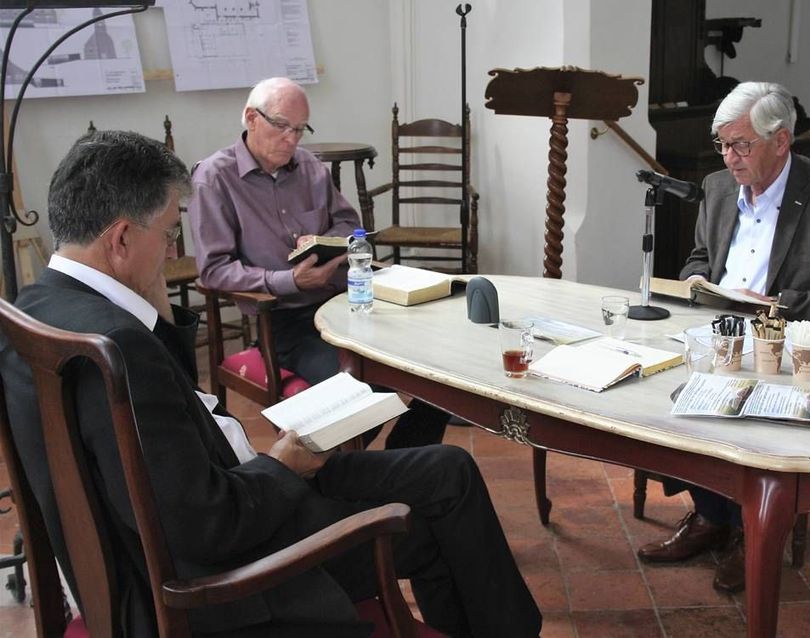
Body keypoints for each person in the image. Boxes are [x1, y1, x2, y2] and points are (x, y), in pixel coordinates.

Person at [0, 130, 542, 637]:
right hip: (219, 578)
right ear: (120, 238)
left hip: (185, 527)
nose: (171, 252)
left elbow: (163, 450)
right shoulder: (121, 347)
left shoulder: (34, 309)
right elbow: (207, 526)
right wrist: (281, 464)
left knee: (447, 467)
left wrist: (158, 312)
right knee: (426, 521)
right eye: (168, 232)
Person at [638, 81, 810, 593]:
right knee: (662, 394)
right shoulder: (717, 186)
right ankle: (712, 516)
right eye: (722, 144)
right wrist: (694, 281)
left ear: (781, 141)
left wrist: (776, 305)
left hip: (788, 348)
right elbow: (701, 259)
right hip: (719, 336)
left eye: (742, 145)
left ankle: (753, 530)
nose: (730, 158)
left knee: (745, 411)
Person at [188, 76, 447, 448]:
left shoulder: (308, 166)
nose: (291, 140)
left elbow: (348, 224)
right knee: (359, 388)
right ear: (250, 118)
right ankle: (339, 471)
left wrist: (325, 240)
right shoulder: (215, 178)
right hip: (282, 322)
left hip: (344, 305)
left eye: (299, 129)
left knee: (432, 365)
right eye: (281, 126)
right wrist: (288, 280)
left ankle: (402, 459)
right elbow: (213, 270)